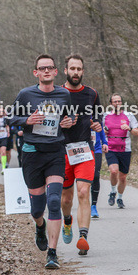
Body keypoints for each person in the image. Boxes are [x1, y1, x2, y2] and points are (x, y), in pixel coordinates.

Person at [11, 54, 74, 269]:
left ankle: (53, 253)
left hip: (55, 152)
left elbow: (70, 118)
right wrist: (26, 120)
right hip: (32, 153)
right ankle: (40, 225)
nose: (46, 71)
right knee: (37, 209)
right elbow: (11, 119)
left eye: (50, 68)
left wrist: (68, 122)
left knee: (54, 200)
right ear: (35, 72)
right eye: (42, 68)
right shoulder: (25, 94)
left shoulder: (64, 94)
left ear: (56, 72)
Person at [59, 55, 102, 255]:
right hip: (63, 150)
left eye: (79, 69)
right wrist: (61, 124)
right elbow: (48, 122)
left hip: (85, 149)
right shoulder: (58, 93)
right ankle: (67, 220)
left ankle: (83, 236)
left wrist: (97, 123)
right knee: (66, 199)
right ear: (65, 70)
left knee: (84, 192)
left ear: (83, 71)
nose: (76, 72)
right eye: (72, 68)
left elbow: (98, 114)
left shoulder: (91, 94)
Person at [104, 93, 138, 208]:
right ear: (111, 104)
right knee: (114, 171)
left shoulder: (129, 115)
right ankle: (113, 191)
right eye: (115, 102)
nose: (117, 104)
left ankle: (119, 198)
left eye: (119, 101)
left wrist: (129, 128)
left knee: (123, 177)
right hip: (111, 147)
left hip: (125, 149)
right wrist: (103, 132)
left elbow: (136, 132)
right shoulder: (106, 116)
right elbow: (99, 131)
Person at [89, 124, 107, 218]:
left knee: (96, 176)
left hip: (96, 149)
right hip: (83, 149)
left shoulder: (97, 114)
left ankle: (93, 205)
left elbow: (101, 129)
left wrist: (104, 142)